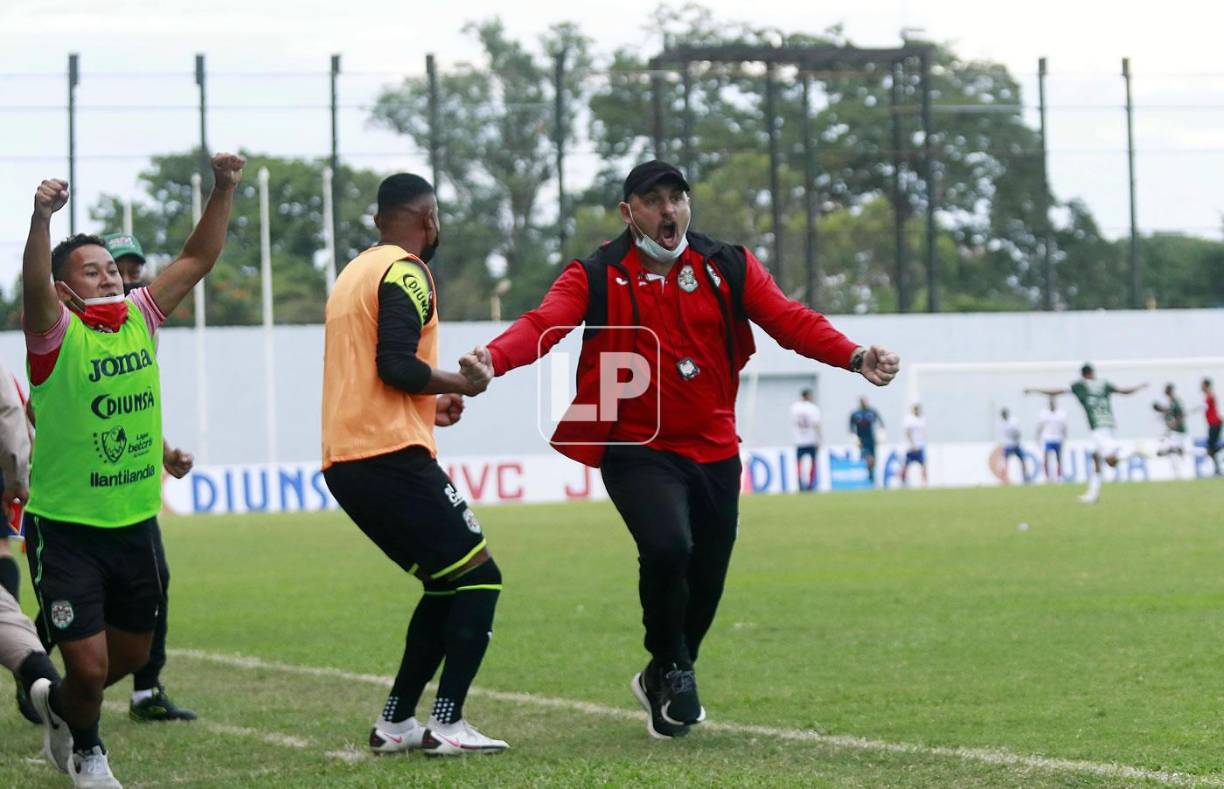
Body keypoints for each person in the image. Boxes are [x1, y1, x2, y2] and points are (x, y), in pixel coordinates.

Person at [461, 160, 900, 739]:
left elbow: (788, 319)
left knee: (709, 576)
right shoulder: (597, 273)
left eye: (677, 198)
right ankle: (672, 662)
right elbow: (545, 323)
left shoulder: (727, 265)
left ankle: (660, 674)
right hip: (635, 444)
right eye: (653, 200)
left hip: (715, 443)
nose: (669, 211)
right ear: (629, 212)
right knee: (669, 547)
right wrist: (494, 358)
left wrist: (852, 355)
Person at [21, 153, 244, 787]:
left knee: (131, 658)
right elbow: (33, 288)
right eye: (91, 273)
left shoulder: (141, 318)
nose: (110, 278)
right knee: (89, 670)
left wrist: (223, 189)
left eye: (112, 269)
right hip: (65, 530)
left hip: (136, 526)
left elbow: (197, 259)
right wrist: (40, 219)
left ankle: (54, 706)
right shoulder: (54, 334)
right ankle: (89, 751)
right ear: (66, 290)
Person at [321, 173, 507, 757]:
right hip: (387, 456)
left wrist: (432, 402)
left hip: (350, 456)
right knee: (480, 576)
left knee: (445, 584)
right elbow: (396, 365)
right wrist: (464, 383)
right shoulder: (408, 270)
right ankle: (447, 723)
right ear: (428, 219)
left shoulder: (353, 273)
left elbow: (383, 375)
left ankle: (395, 723)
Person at [98, 231, 198, 722]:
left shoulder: (141, 324)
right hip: (82, 492)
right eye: (118, 267)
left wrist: (162, 453)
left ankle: (145, 689)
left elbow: (133, 407)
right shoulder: (71, 330)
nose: (128, 275)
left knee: (155, 578)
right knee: (74, 597)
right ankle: (35, 667)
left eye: (133, 267)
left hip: (131, 491)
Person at [1026, 364, 1147, 503]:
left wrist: (1034, 389)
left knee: (1111, 461)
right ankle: (1093, 494)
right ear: (1092, 373)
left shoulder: (1080, 385)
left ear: (1083, 375)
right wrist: (1138, 387)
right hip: (1108, 424)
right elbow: (1124, 391)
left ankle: (1133, 451)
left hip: (1098, 427)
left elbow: (1055, 392)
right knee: (1096, 457)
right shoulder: (1104, 384)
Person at [1153, 383, 1190, 479]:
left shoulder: (1176, 402)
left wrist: (1175, 423)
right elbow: (1169, 414)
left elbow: (1182, 415)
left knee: (1174, 451)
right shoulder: (1170, 403)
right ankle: (1178, 474)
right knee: (1174, 452)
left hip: (1179, 432)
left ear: (1169, 391)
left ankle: (1179, 474)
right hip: (1173, 432)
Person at [790, 388, 821, 491]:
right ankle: (810, 485)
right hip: (811, 439)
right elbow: (816, 424)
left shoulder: (794, 407)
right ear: (808, 396)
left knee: (799, 462)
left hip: (799, 440)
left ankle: (800, 483)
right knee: (813, 462)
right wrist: (819, 439)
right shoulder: (813, 408)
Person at [849, 397, 884, 484]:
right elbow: (851, 427)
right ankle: (870, 475)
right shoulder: (855, 414)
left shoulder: (872, 412)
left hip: (871, 438)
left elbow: (880, 422)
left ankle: (871, 474)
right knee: (868, 457)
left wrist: (881, 434)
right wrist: (854, 438)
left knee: (874, 460)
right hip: (862, 440)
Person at [1034, 395, 1068, 482]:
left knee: (1058, 458)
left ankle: (1059, 476)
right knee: (1045, 457)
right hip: (1047, 438)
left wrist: (1064, 437)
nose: (1052, 404)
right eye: (1050, 402)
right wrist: (1037, 437)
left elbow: (1064, 427)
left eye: (1053, 402)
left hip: (1058, 438)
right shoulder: (1044, 414)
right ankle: (1047, 476)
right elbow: (1039, 427)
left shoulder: (1061, 414)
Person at [899, 403, 927, 486]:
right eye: (916, 409)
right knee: (906, 465)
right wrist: (913, 444)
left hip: (920, 446)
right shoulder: (909, 419)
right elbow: (908, 433)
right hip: (911, 447)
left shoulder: (922, 419)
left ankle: (924, 483)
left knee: (923, 465)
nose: (917, 411)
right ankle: (902, 482)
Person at [997, 407, 1027, 484]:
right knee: (1004, 462)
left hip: (1016, 444)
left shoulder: (1013, 421)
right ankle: (1004, 479)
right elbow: (1002, 435)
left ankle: (1025, 478)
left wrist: (1016, 436)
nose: (1004, 416)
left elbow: (1018, 432)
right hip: (1007, 446)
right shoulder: (1000, 423)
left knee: (1023, 460)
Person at [1203, 378, 1222, 476]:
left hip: (1215, 423)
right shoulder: (1208, 396)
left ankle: (1217, 469)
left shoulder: (1210, 396)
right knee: (1211, 448)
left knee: (1211, 448)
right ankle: (1217, 469)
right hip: (1212, 423)